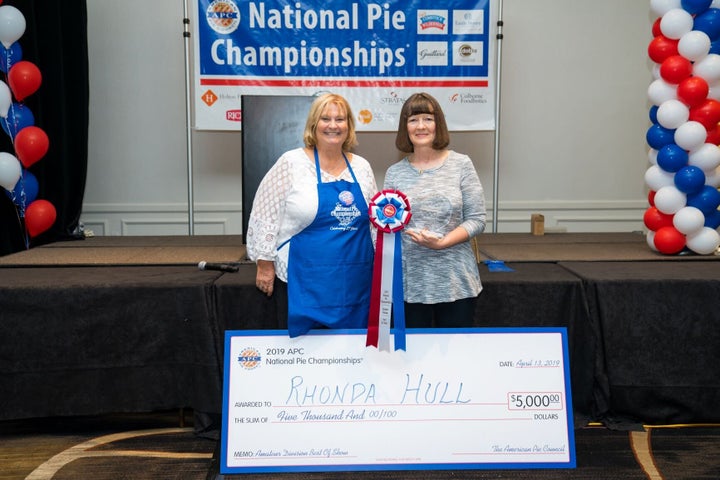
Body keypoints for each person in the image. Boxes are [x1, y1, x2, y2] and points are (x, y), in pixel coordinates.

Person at [246, 93, 378, 337]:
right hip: (304, 279)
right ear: (313, 124)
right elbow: (265, 213)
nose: (333, 125)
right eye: (325, 118)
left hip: (354, 281)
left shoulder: (361, 167)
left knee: (353, 351)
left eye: (340, 119)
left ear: (348, 126)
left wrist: (383, 260)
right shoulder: (291, 163)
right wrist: (264, 263)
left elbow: (374, 221)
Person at [383, 92, 487, 328]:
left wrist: (442, 242)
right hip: (409, 284)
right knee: (410, 363)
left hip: (455, 282)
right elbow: (386, 226)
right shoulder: (394, 173)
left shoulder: (461, 164)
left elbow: (477, 219)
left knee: (454, 361)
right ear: (405, 127)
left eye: (428, 119)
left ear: (438, 124)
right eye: (413, 120)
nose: (421, 126)